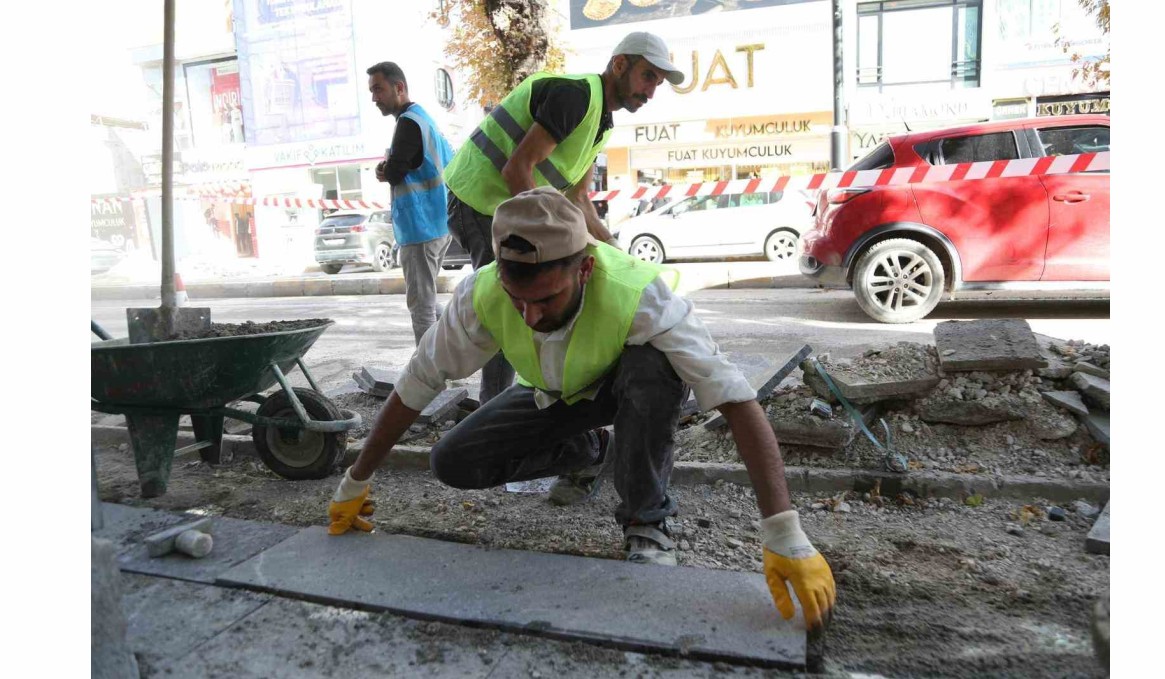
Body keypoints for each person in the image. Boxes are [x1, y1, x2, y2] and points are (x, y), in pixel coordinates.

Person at [327, 187, 837, 633]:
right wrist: (355, 480)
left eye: (546, 299)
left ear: (584, 267)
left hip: (629, 389)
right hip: (556, 394)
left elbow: (734, 399)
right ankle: (591, 450)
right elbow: (416, 384)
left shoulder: (639, 294)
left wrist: (784, 531)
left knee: (651, 370)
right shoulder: (481, 293)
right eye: (517, 299)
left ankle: (647, 521)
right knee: (453, 462)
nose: (529, 316)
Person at [441, 30, 685, 405]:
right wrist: (551, 238)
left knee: (544, 291)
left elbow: (578, 199)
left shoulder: (600, 122)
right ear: (620, 64)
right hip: (478, 201)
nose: (652, 91)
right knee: (516, 298)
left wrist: (615, 251)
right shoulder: (578, 96)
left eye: (658, 83)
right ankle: (494, 411)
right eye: (648, 76)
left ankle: (540, 400)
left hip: (495, 204)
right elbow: (517, 169)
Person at [367, 61, 455, 343]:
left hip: (420, 228)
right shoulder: (424, 118)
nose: (374, 98)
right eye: (372, 91)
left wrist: (385, 169)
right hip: (438, 223)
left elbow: (395, 172)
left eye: (378, 89)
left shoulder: (408, 123)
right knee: (428, 303)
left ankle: (428, 381)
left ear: (399, 87)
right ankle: (453, 355)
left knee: (421, 308)